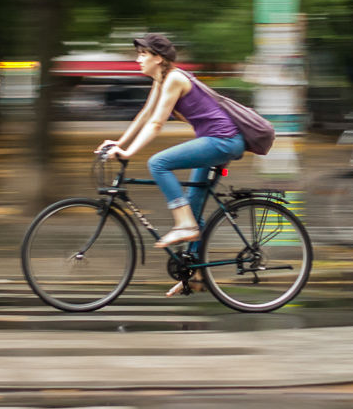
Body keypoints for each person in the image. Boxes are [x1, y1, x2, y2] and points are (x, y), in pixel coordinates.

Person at [97, 33, 246, 293]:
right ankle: (196, 275)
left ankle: (184, 225)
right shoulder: (162, 79)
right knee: (194, 207)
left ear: (158, 58)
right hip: (215, 141)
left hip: (223, 141)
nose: (138, 60)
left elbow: (156, 124)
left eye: (143, 54)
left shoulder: (175, 79)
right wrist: (120, 143)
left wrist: (129, 151)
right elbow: (146, 114)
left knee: (158, 163)